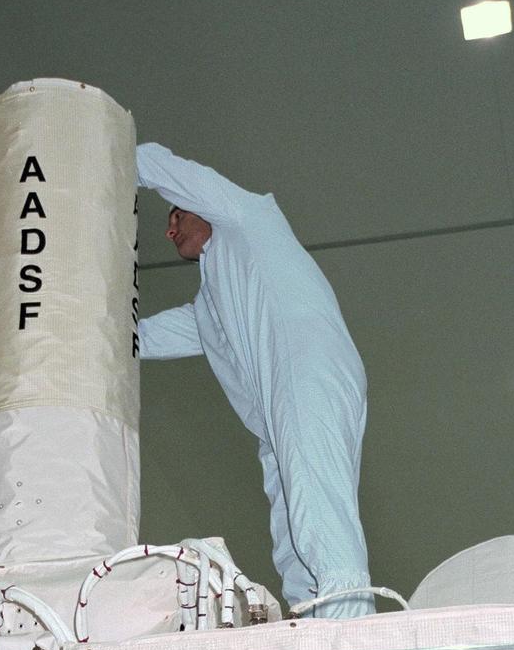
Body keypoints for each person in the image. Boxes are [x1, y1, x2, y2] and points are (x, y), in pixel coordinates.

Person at [136, 142, 375, 619]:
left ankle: (348, 628)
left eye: (175, 215)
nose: (168, 230)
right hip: (278, 408)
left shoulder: (247, 219)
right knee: (290, 519)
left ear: (200, 205)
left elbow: (153, 161)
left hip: (307, 375)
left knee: (315, 496)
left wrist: (93, 144)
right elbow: (137, 338)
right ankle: (313, 621)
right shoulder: (213, 303)